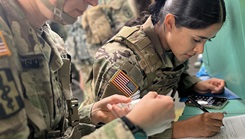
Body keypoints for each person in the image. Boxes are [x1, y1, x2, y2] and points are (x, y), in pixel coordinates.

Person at [0, 0, 175, 138]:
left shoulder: (50, 39)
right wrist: (130, 127)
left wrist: (90, 114)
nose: (94, 3)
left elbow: (49, 128)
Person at [88, 0, 227, 138]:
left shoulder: (171, 44)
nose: (200, 49)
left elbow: (169, 75)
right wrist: (182, 129)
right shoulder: (123, 63)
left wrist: (193, 84)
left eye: (207, 40)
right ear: (170, 23)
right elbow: (111, 128)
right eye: (197, 39)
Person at [65, 0, 153, 106]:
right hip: (85, 59)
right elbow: (74, 32)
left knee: (117, 105)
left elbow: (128, 33)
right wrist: (80, 67)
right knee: (91, 104)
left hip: (112, 63)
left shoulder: (117, 3)